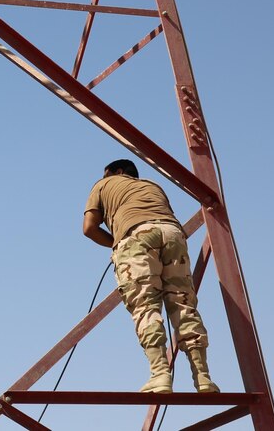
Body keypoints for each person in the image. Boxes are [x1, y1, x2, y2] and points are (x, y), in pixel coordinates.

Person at [82, 159, 219, 394]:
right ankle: (203, 378)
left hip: (138, 235)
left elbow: (89, 228)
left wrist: (117, 245)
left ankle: (160, 375)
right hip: (173, 233)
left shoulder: (103, 185)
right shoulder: (152, 185)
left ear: (118, 172)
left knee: (146, 306)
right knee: (183, 304)